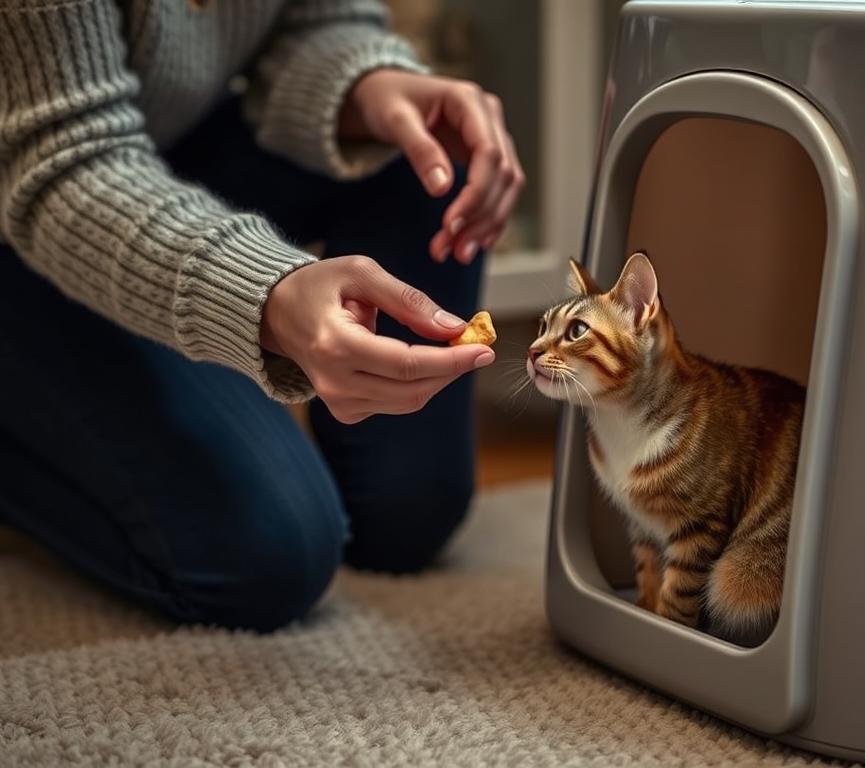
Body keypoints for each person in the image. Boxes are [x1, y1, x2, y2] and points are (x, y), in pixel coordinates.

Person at [0, 0, 524, 631]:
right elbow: (65, 158)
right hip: (34, 199)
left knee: (407, 517)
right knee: (271, 554)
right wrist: (267, 294)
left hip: (164, 143)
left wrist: (369, 87)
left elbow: (315, 22)